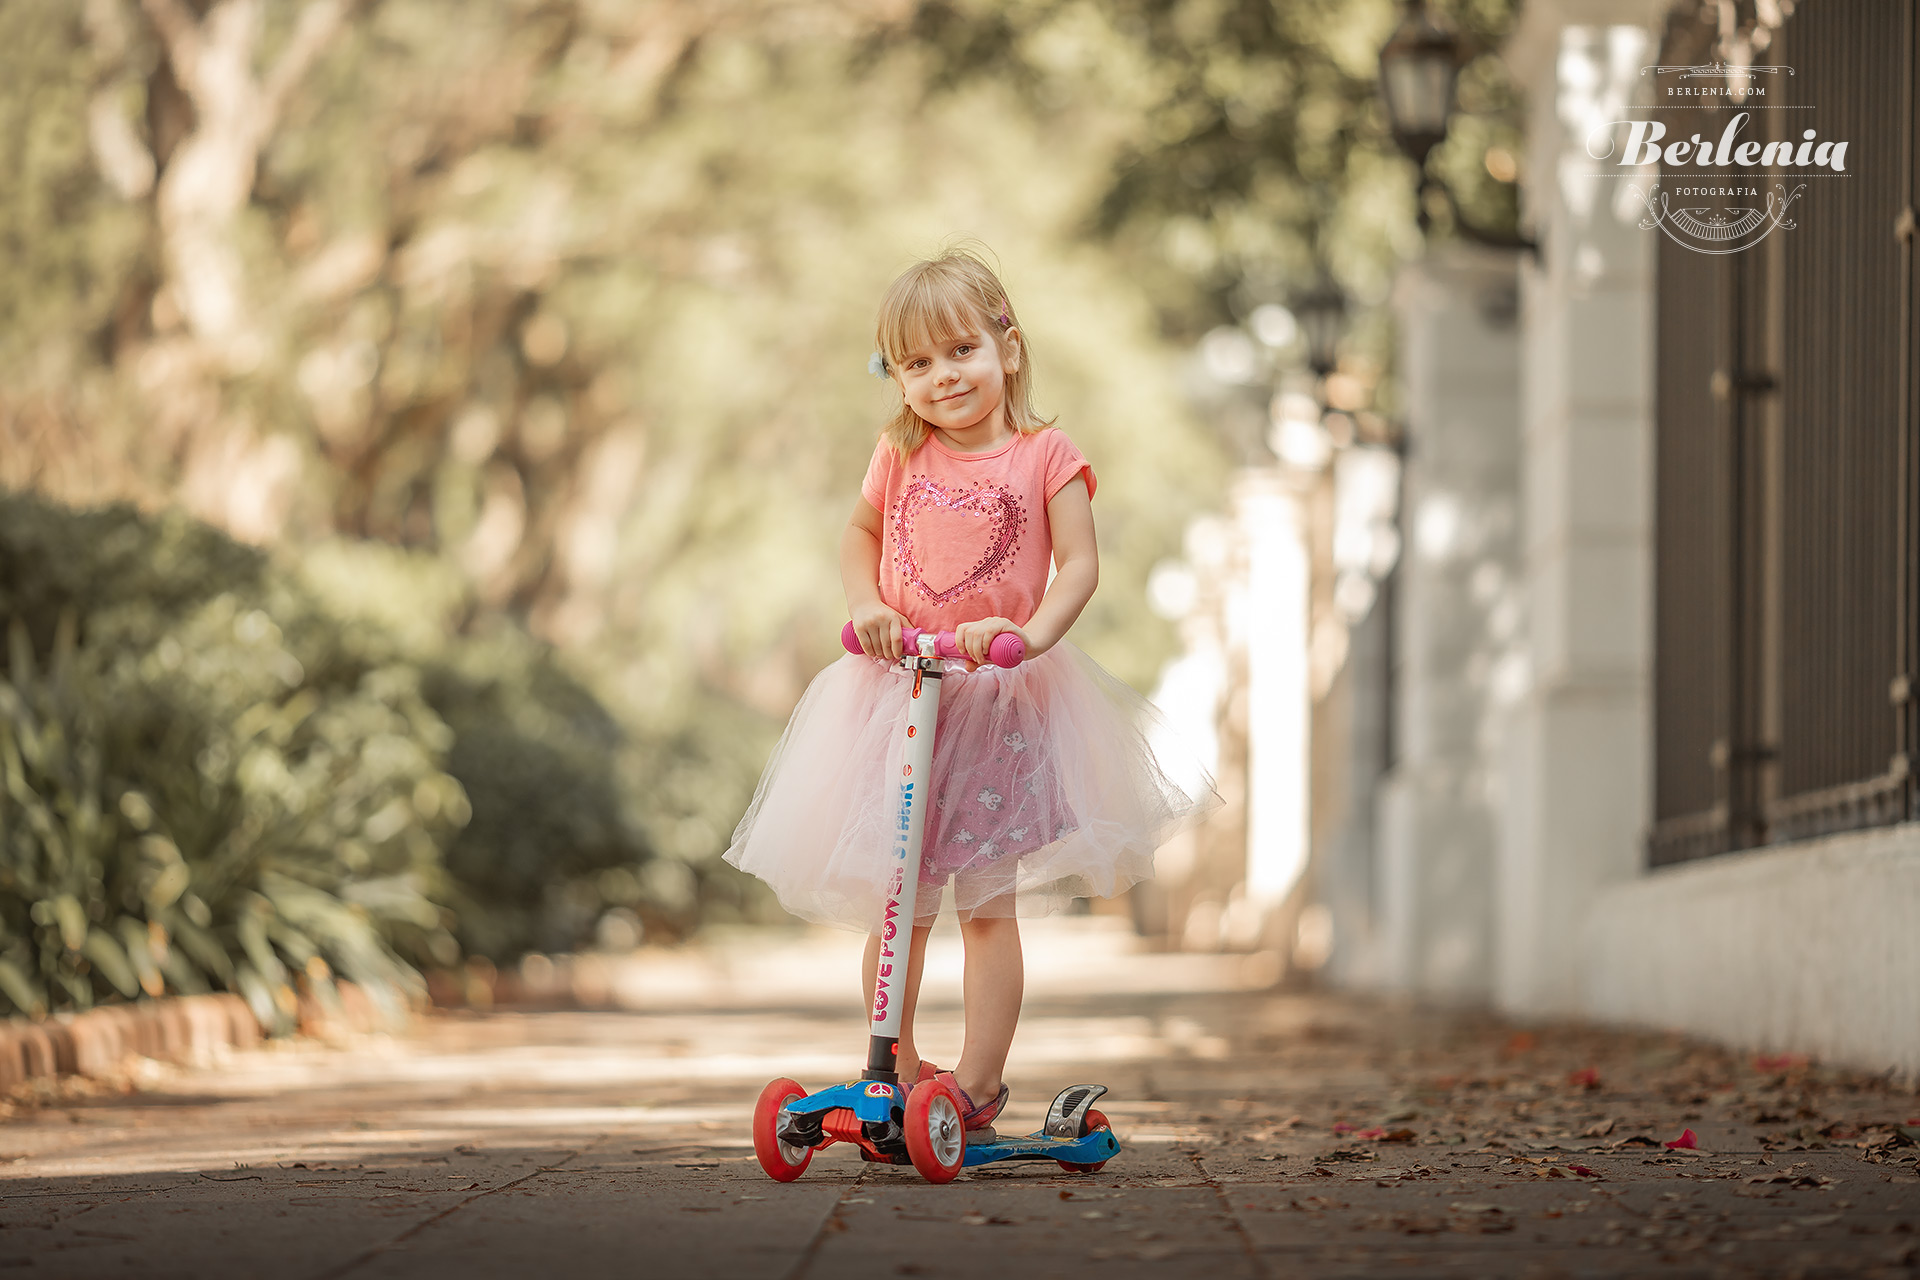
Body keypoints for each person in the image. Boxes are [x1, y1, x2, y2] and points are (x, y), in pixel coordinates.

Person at [725, 246, 1215, 1138]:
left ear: (1008, 350)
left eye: (960, 352)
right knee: (898, 899)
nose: (942, 377)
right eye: (917, 363)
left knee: (986, 906)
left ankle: (981, 1081)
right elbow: (858, 533)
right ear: (896, 377)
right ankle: (897, 1069)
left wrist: (1027, 637)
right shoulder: (899, 451)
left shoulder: (1046, 457)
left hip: (997, 702)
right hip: (899, 694)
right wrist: (867, 602)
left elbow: (1080, 567)